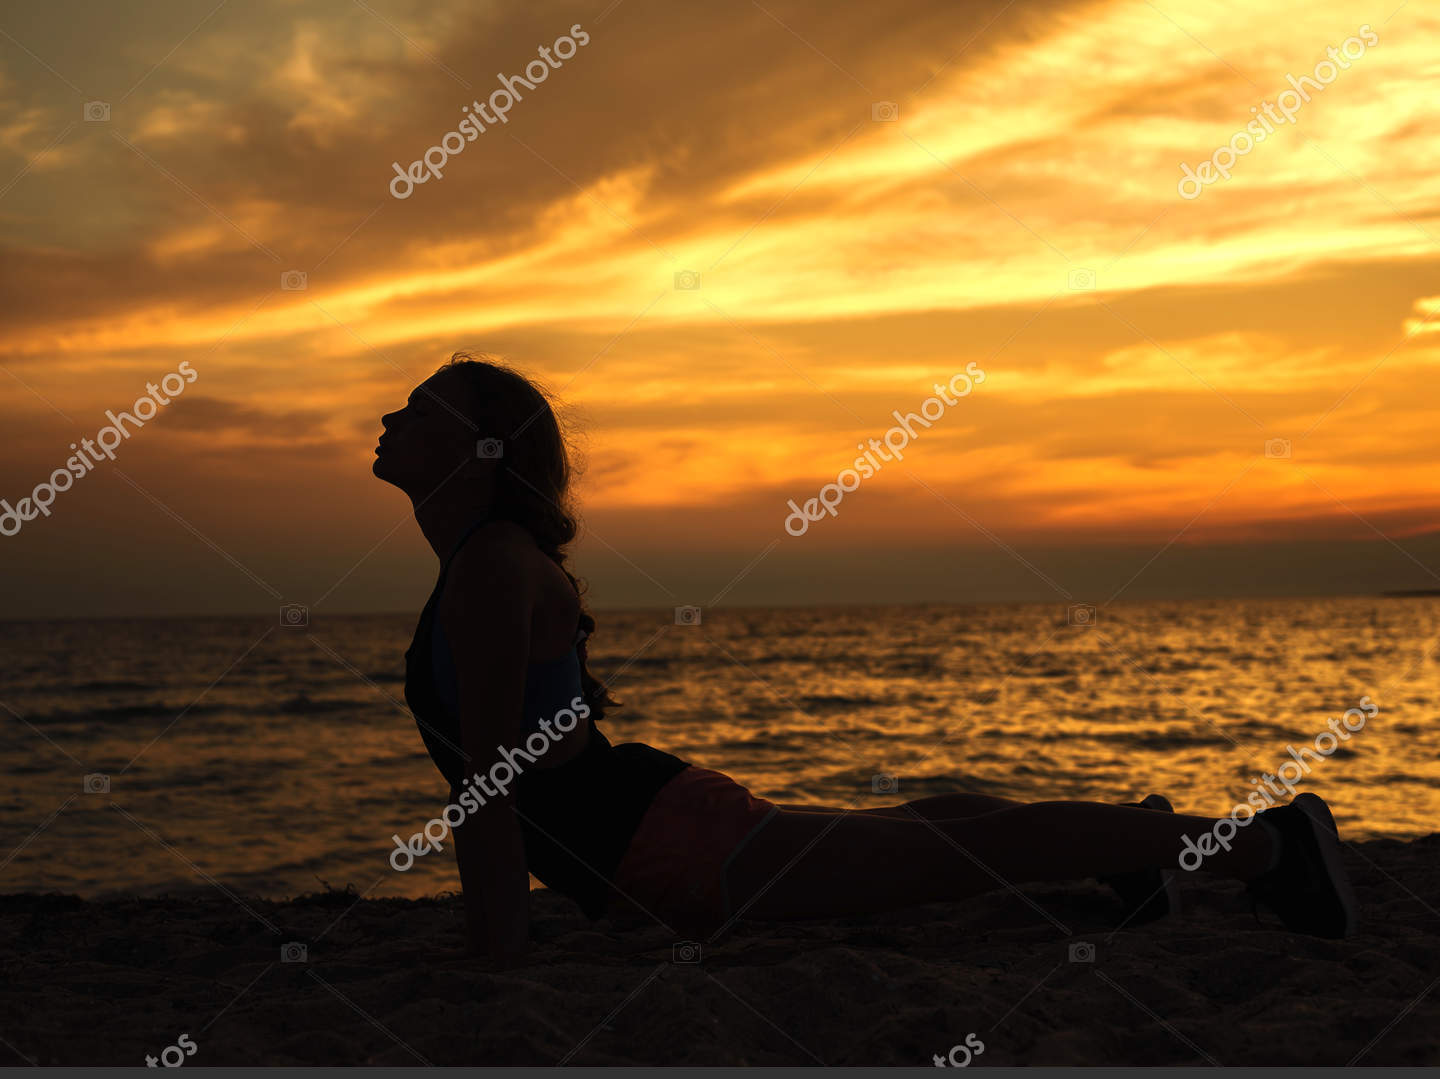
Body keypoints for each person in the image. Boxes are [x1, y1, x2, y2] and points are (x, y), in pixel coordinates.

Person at [376, 354, 1359, 964]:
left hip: (665, 846)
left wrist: (495, 956)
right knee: (924, 836)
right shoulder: (484, 560)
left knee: (945, 857)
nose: (391, 418)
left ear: (484, 453)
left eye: (421, 410)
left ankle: (1272, 848)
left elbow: (490, 788)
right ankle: (1126, 842)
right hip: (652, 825)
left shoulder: (491, 571)